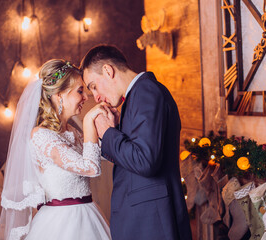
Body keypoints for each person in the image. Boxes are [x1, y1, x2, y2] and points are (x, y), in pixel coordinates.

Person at [80, 44, 193, 240]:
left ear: (108, 70)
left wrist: (108, 133)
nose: (96, 97)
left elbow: (145, 161)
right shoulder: (136, 96)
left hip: (152, 222)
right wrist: (114, 132)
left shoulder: (146, 91)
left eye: (93, 86)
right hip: (146, 219)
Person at [0, 59, 112, 240]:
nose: (86, 97)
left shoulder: (73, 131)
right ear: (59, 95)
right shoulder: (41, 136)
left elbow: (103, 156)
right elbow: (91, 168)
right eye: (80, 91)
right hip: (61, 223)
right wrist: (90, 122)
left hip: (89, 215)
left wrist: (112, 129)